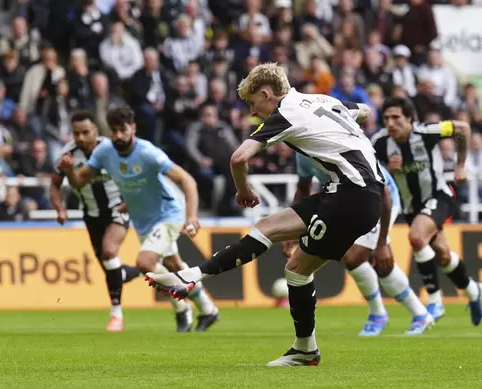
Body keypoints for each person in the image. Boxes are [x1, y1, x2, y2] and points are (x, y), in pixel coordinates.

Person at [145, 62, 383, 366]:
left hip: (351, 194)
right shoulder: (327, 100)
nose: (253, 112)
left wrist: (243, 191)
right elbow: (364, 109)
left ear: (268, 94)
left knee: (297, 270)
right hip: (354, 191)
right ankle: (192, 277)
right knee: (268, 228)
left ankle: (305, 350)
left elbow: (238, 157)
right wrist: (353, 120)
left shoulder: (285, 113)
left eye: (253, 103)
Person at [59, 106, 220, 333]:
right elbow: (79, 182)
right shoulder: (104, 152)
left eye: (123, 130)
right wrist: (68, 172)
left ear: (133, 128)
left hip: (168, 214)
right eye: (114, 130)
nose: (118, 136)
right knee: (174, 265)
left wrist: (192, 216)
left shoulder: (148, 153)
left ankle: (180, 305)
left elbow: (187, 180)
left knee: (145, 263)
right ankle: (208, 308)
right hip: (143, 219)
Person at [286, 153, 433, 335]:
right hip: (351, 202)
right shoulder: (302, 153)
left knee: (353, 257)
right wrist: (291, 228)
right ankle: (420, 314)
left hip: (379, 197)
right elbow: (303, 191)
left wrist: (381, 243)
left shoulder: (335, 141)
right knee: (380, 266)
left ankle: (378, 313)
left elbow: (384, 191)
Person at [372, 97, 482, 325]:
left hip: (438, 196)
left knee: (416, 236)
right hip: (412, 207)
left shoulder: (427, 132)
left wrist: (460, 165)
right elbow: (374, 175)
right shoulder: (380, 143)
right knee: (443, 255)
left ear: (410, 119)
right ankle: (474, 292)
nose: (391, 123)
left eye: (396, 118)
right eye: (386, 119)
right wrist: (387, 169)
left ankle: (434, 301)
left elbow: (462, 127)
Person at [51, 110, 142, 332]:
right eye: (76, 134)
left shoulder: (112, 149)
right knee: (111, 269)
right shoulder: (68, 154)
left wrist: (133, 198)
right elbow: (54, 185)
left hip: (117, 208)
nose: (80, 138)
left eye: (85, 132)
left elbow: (138, 172)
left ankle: (116, 315)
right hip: (90, 214)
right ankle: (140, 270)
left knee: (109, 252)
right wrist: (60, 208)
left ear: (96, 131)